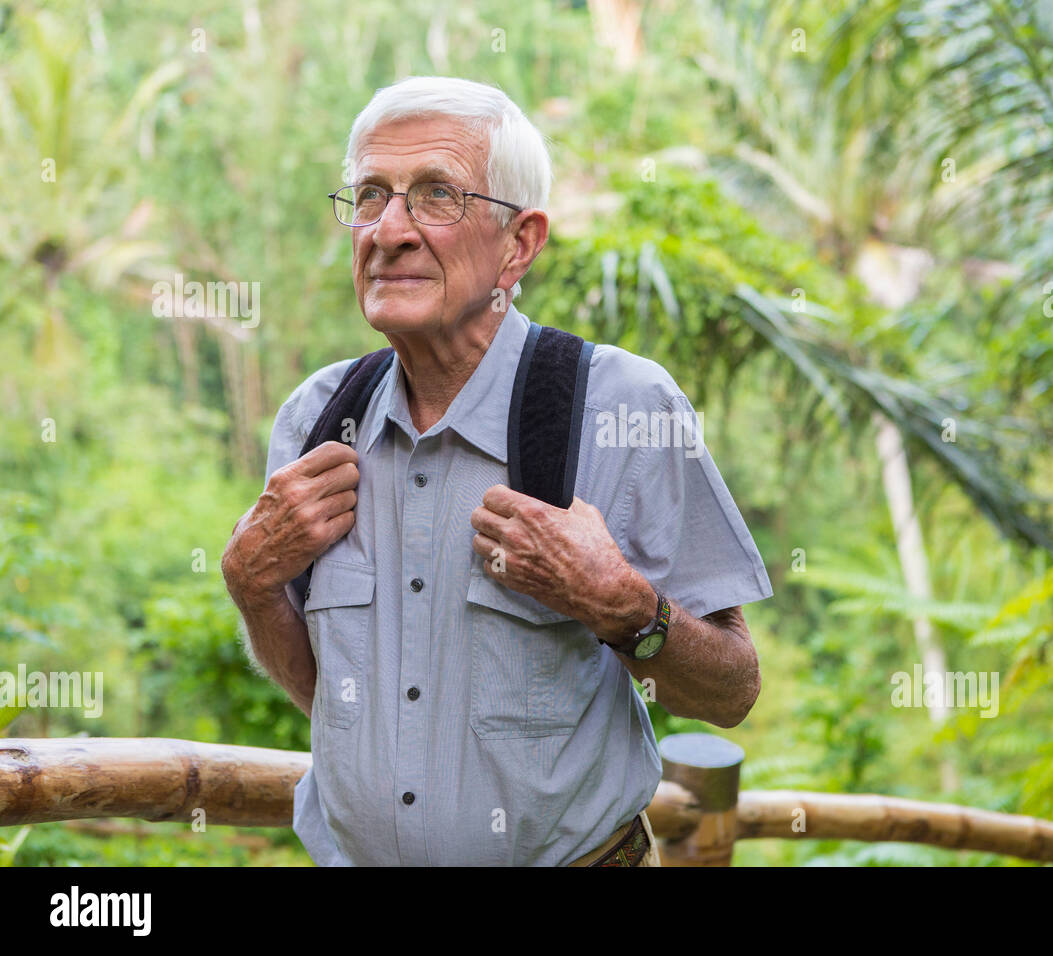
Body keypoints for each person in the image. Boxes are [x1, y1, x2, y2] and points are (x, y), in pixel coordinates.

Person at [220, 76, 772, 866]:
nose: (389, 230)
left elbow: (732, 691)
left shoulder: (624, 407)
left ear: (521, 243)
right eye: (370, 196)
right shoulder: (316, 422)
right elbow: (331, 698)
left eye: (436, 196)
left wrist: (621, 605)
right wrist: (251, 584)